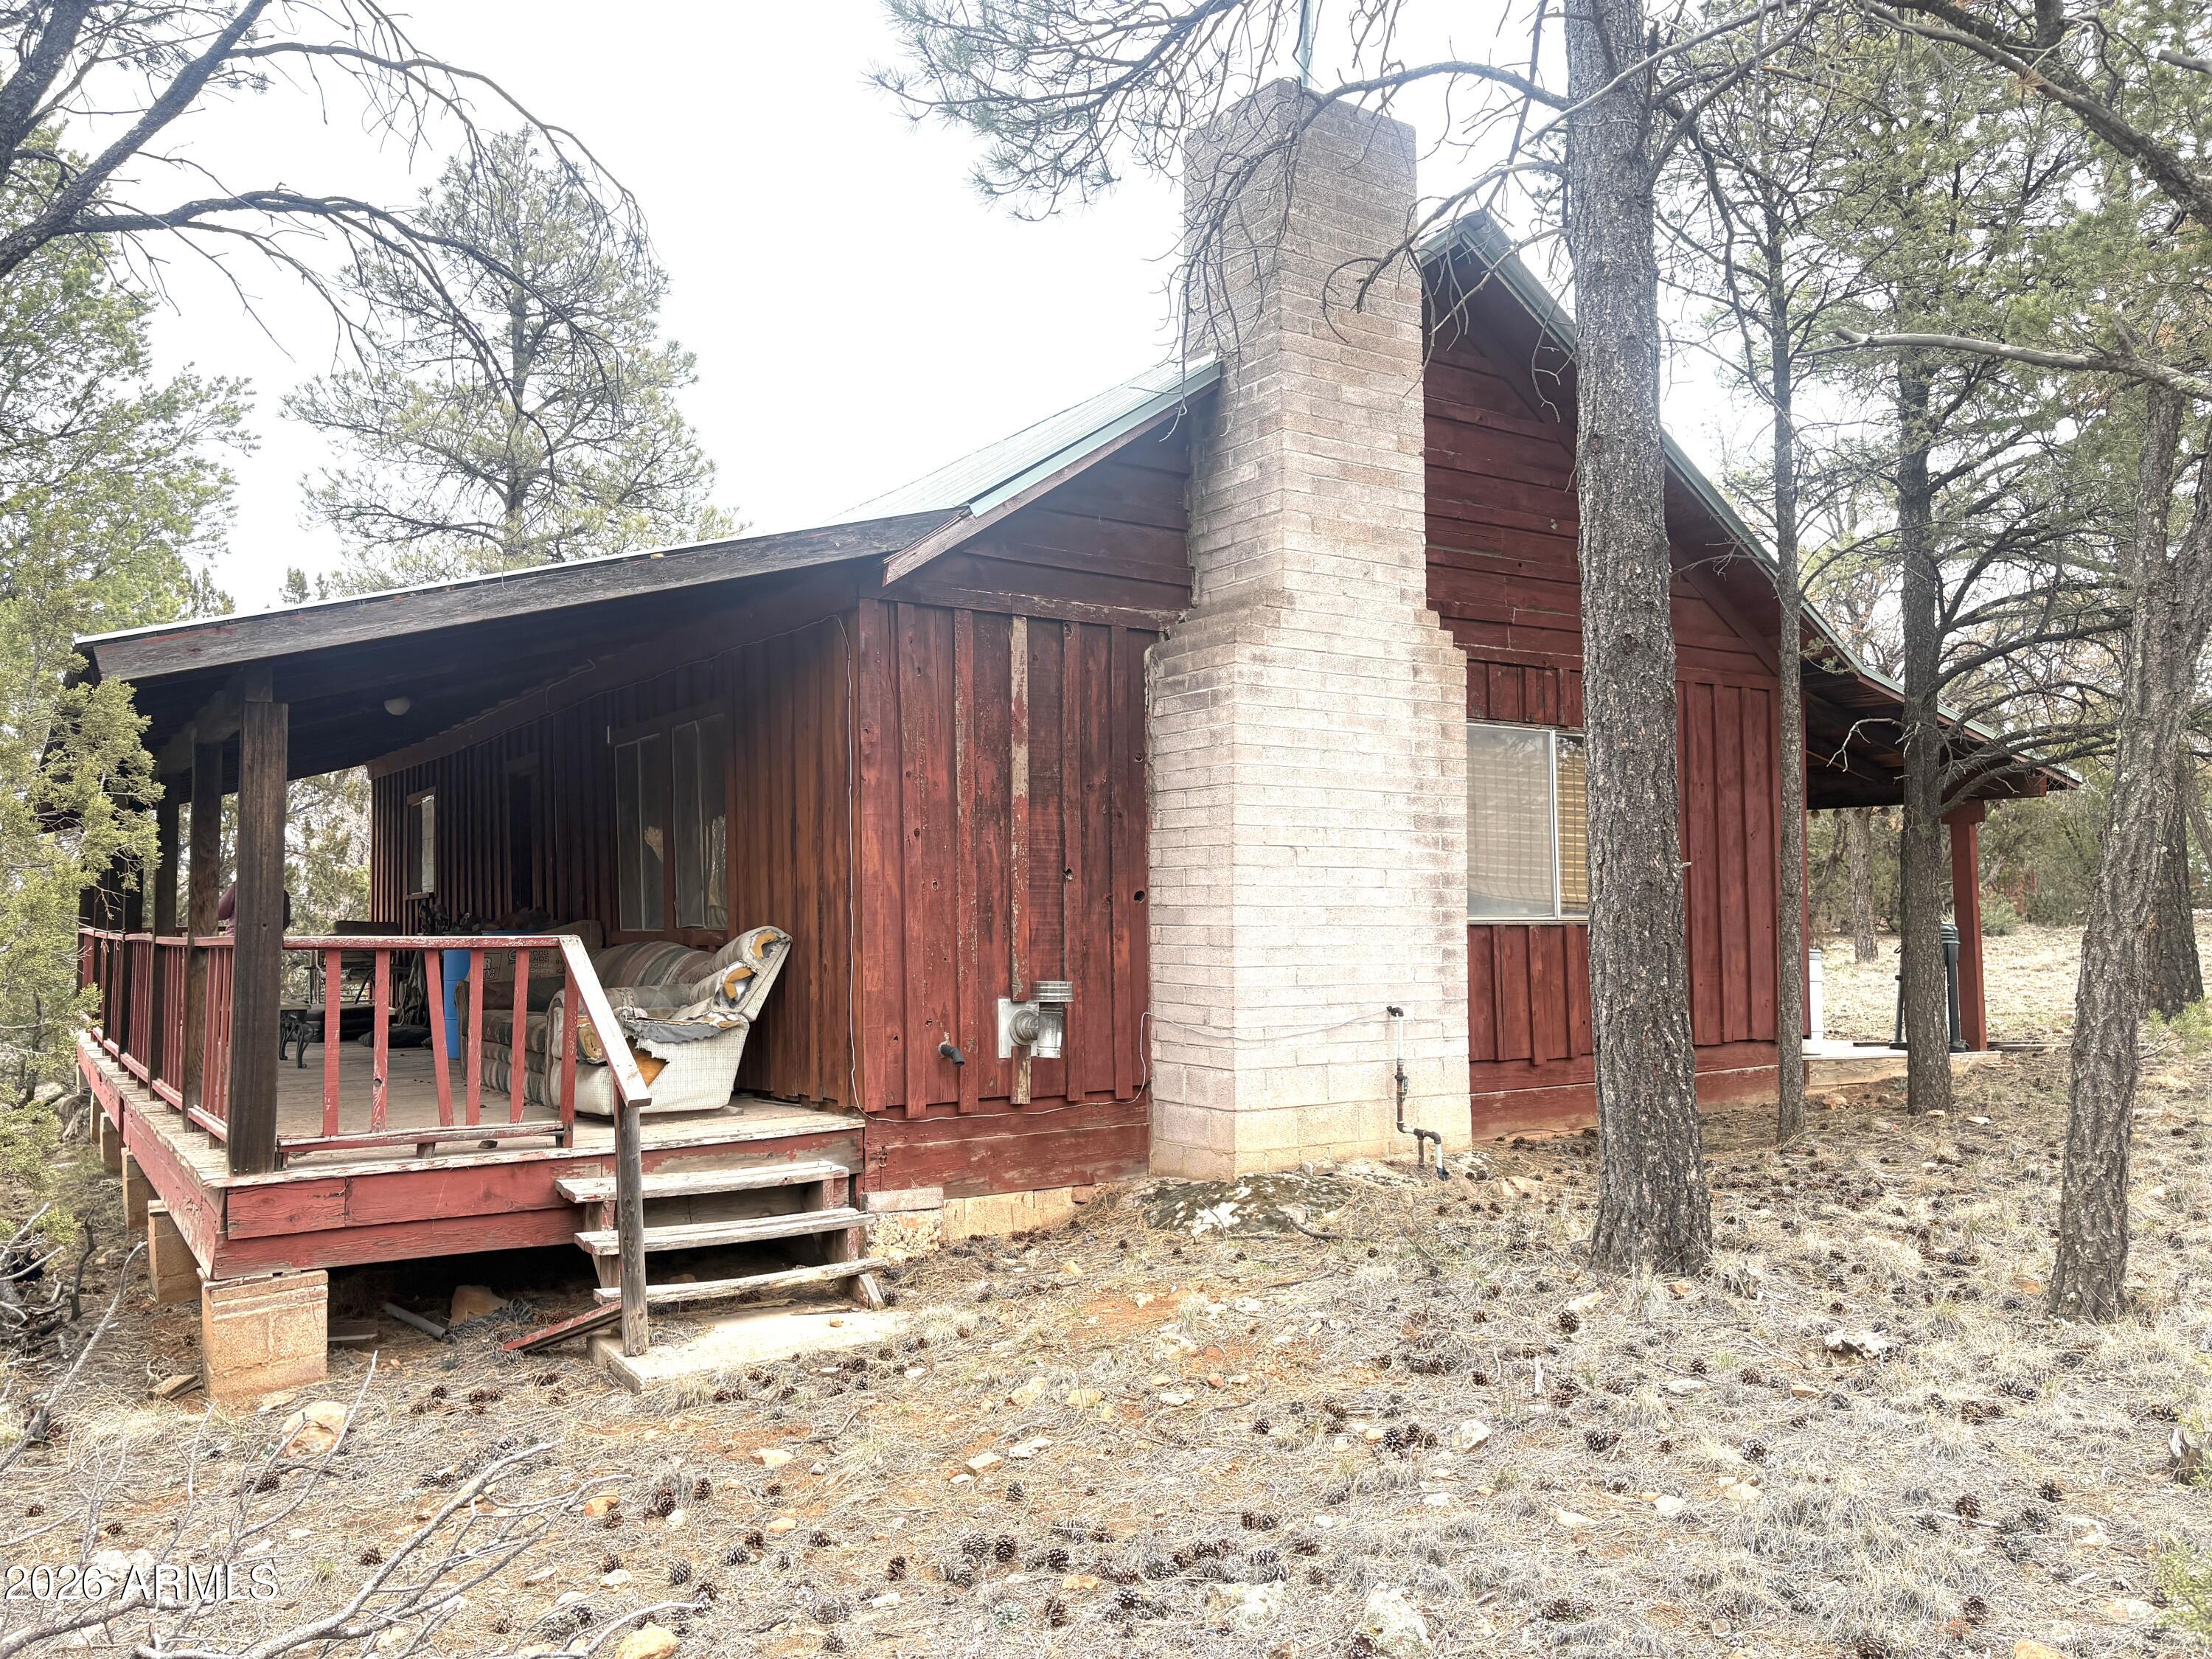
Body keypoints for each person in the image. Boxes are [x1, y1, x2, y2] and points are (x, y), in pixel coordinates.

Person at [215, 883, 293, 931]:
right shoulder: (281, 893)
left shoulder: (238, 887)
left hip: (234, 944)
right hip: (269, 946)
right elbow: (285, 922)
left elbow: (218, 913)